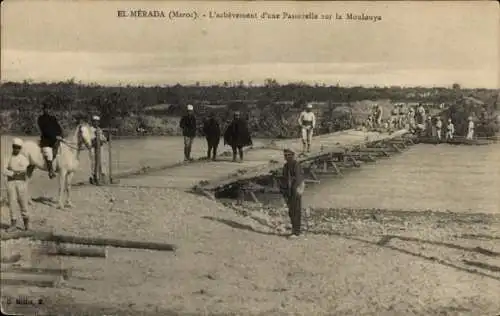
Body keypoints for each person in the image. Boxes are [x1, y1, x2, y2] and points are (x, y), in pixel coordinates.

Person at [2, 138, 31, 231]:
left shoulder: (24, 159)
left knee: (23, 202)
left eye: (18, 147)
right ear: (12, 147)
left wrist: (17, 173)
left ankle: (26, 224)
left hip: (21, 183)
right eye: (14, 147)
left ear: (20, 148)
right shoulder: (8, 157)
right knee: (12, 202)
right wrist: (12, 173)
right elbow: (3, 170)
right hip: (11, 182)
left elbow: (24, 170)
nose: (16, 149)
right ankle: (13, 224)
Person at [280, 148, 305, 239]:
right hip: (289, 191)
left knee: (296, 210)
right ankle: (294, 230)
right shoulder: (286, 166)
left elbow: (298, 179)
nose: (286, 157)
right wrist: (284, 192)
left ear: (292, 155)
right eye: (285, 155)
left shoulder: (296, 164)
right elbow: (284, 179)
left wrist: (296, 190)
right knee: (291, 211)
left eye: (288, 155)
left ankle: (296, 231)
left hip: (295, 190)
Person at [37, 103, 63, 179]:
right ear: (43, 110)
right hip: (46, 140)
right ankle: (50, 171)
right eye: (46, 109)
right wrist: (55, 136)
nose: (47, 110)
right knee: (48, 153)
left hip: (55, 140)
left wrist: (60, 135)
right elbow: (44, 130)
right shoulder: (41, 119)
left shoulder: (53, 118)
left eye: (49, 109)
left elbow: (58, 127)